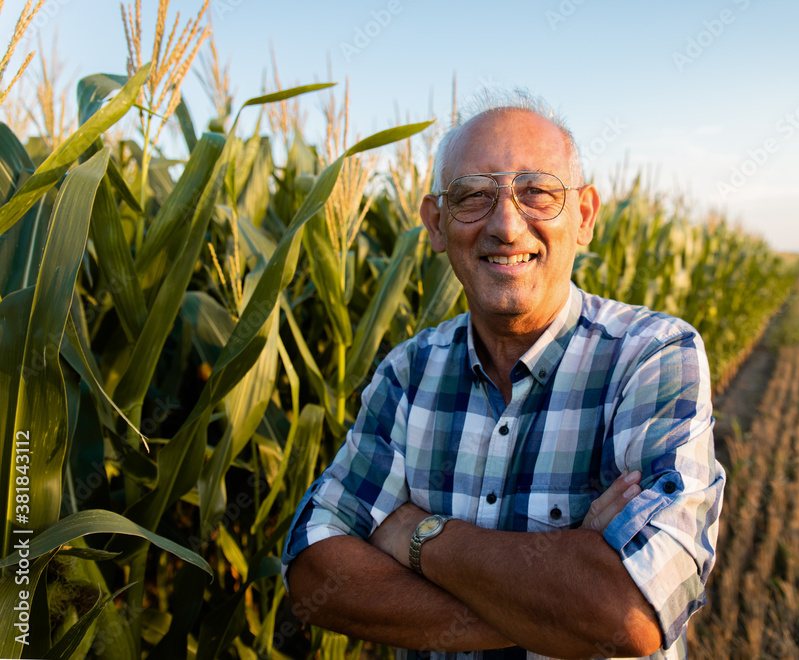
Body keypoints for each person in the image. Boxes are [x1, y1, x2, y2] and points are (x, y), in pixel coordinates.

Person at [281, 90, 726, 660]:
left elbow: (629, 615)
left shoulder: (651, 356)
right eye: (472, 197)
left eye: (538, 192)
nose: (507, 226)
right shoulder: (406, 376)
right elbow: (315, 578)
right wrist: (558, 597)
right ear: (436, 225)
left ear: (584, 216)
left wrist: (415, 535)